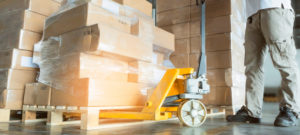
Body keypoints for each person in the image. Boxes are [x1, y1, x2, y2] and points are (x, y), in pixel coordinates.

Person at [226, 0, 300, 127]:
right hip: (252, 14)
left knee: (284, 61)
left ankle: (291, 109)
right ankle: (252, 111)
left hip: (275, 7)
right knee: (252, 66)